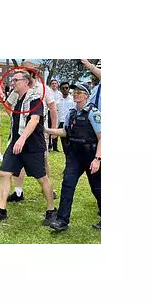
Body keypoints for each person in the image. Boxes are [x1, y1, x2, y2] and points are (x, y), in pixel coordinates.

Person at [0, 70, 57, 225]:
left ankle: (51, 210)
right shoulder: (18, 99)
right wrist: (16, 139)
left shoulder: (35, 99)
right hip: (15, 144)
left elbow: (34, 120)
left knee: (42, 178)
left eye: (16, 80)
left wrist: (22, 139)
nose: (12, 82)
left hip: (32, 146)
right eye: (12, 80)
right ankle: (1, 210)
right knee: (4, 172)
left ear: (26, 82)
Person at [44, 83, 102, 232]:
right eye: (74, 91)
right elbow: (65, 132)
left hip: (91, 156)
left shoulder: (93, 113)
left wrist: (97, 159)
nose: (75, 94)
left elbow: (102, 137)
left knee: (98, 188)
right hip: (74, 156)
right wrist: (46, 130)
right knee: (67, 186)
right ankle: (62, 220)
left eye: (79, 92)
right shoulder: (71, 113)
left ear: (86, 95)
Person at [55, 81, 74, 152]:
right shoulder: (57, 101)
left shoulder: (73, 100)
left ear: (69, 89)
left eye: (66, 88)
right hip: (61, 124)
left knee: (71, 145)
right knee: (64, 146)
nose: (65, 89)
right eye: (63, 88)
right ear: (60, 89)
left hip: (70, 124)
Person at [48, 78, 62, 151]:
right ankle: (49, 146)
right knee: (50, 128)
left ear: (57, 84)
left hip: (58, 112)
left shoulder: (60, 93)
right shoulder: (48, 92)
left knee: (56, 128)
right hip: (49, 112)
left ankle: (55, 147)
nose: (54, 85)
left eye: (55, 83)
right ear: (51, 85)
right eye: (52, 83)